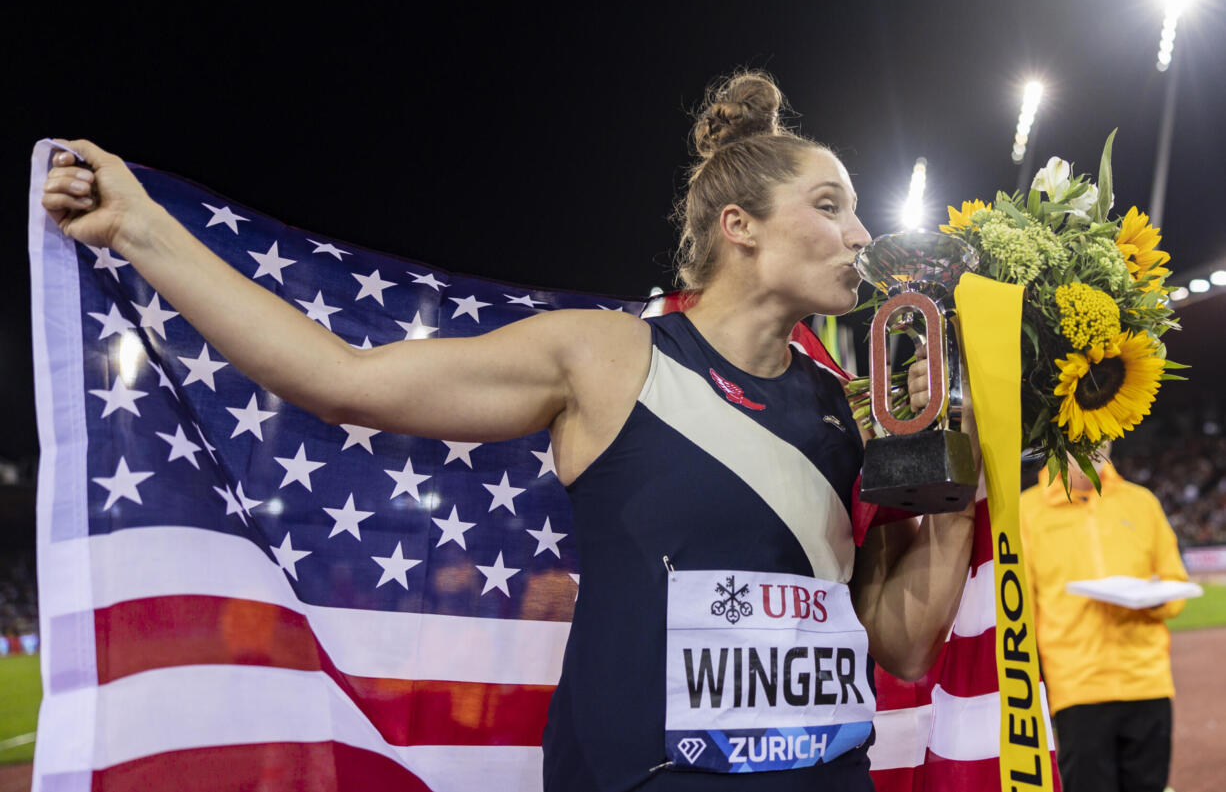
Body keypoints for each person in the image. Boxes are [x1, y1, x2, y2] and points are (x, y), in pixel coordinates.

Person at [41, 71, 976, 791]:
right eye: (829, 205)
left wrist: (962, 474)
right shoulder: (605, 358)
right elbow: (338, 379)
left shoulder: (848, 406)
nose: (861, 235)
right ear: (740, 226)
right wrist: (141, 230)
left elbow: (899, 645)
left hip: (825, 773)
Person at [1020, 445, 1189, 792]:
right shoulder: (1028, 512)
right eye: (1079, 434)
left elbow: (1176, 587)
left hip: (1148, 681)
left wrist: (1150, 599)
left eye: (1101, 435)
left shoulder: (1141, 503)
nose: (1093, 445)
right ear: (1054, 437)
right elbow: (1023, 612)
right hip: (1076, 687)